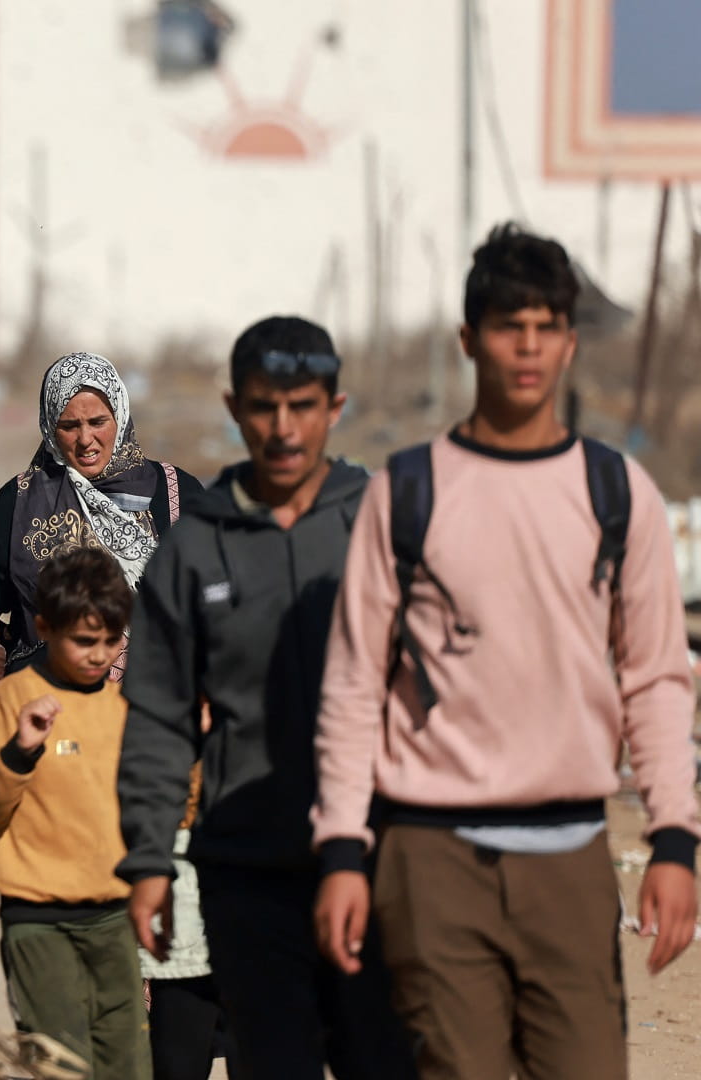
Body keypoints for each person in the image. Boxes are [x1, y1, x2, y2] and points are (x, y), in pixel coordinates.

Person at [312, 224, 699, 1079]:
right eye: (507, 323)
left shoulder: (616, 493)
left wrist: (674, 836)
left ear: (569, 340)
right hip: (431, 859)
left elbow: (657, 680)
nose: (527, 346)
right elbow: (352, 686)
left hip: (570, 858)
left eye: (546, 324)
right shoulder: (407, 493)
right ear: (469, 338)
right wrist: (342, 847)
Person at [115, 316, 414, 1079]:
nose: (283, 429)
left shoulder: (379, 525)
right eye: (263, 407)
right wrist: (149, 856)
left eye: (303, 406)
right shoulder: (193, 547)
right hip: (246, 865)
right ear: (234, 407)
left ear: (334, 407)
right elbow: (159, 715)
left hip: (382, 862)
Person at [0, 547, 149, 1079]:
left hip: (114, 917)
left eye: (112, 641)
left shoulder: (125, 708)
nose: (99, 655)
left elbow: (157, 804)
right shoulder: (14, 699)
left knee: (129, 1063)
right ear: (44, 625)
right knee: (62, 1066)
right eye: (84, 641)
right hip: (38, 919)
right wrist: (18, 751)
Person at [0, 352, 200, 683]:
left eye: (97, 422)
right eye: (69, 426)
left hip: (155, 711)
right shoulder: (20, 502)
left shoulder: (175, 491)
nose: (85, 439)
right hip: (48, 710)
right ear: (50, 426)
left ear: (119, 417)